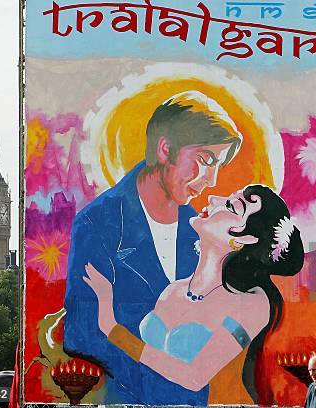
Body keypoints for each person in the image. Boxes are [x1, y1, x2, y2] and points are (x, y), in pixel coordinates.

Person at [63, 91, 242, 404]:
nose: (211, 180)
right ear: (165, 149)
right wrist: (161, 376)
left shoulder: (200, 231)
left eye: (219, 165)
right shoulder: (99, 224)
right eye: (205, 159)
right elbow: (82, 334)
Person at [82, 185, 304, 400]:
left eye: (231, 205)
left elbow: (195, 376)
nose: (213, 199)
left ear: (244, 239)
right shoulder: (174, 290)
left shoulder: (252, 303)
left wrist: (111, 328)